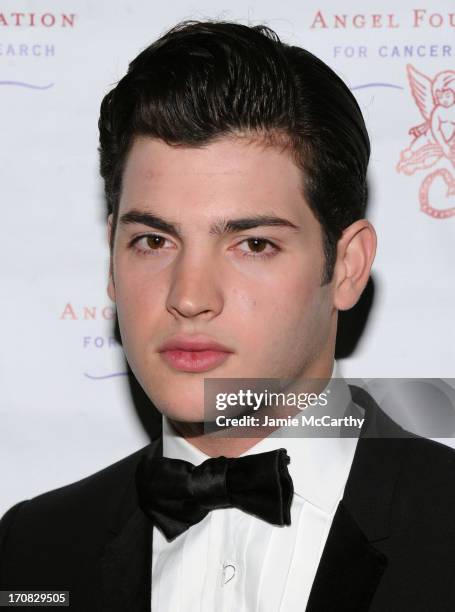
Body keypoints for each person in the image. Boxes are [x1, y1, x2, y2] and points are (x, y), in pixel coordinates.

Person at [1, 19, 455, 612]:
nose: (189, 297)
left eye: (253, 244)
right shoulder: (32, 550)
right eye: (154, 242)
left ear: (346, 266)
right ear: (112, 257)